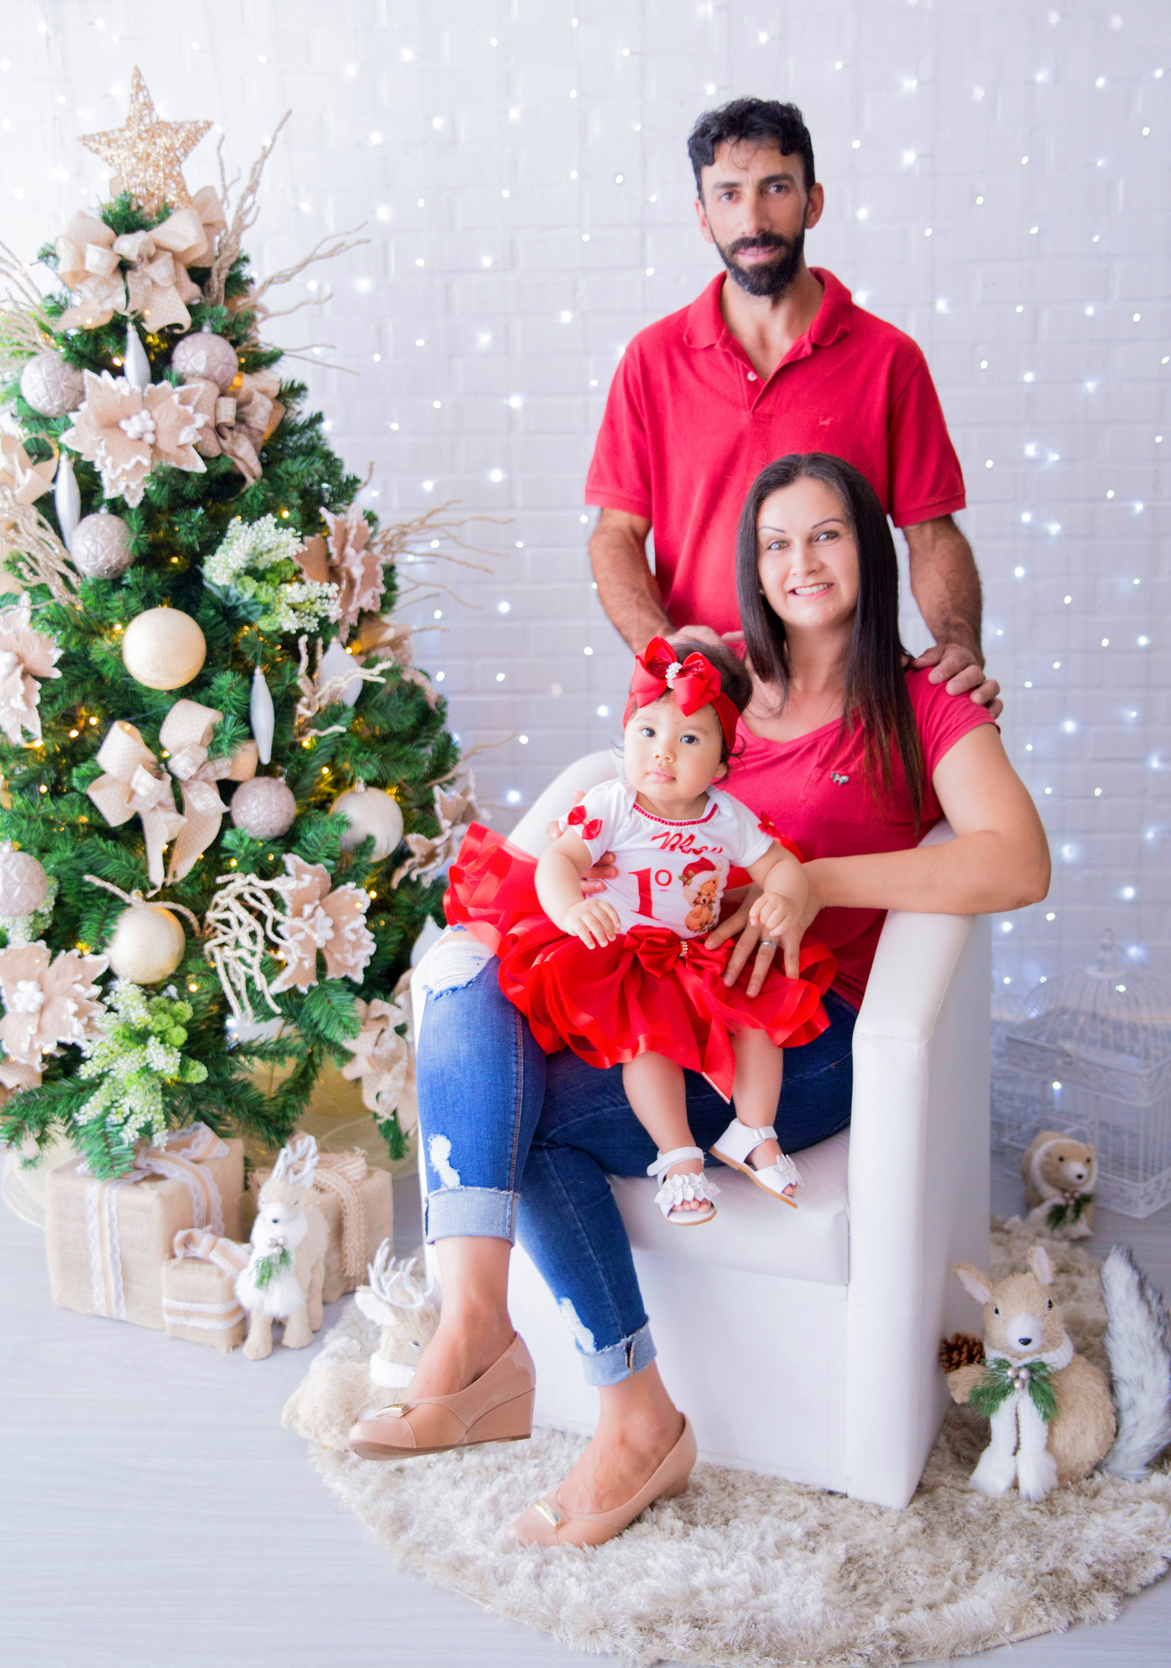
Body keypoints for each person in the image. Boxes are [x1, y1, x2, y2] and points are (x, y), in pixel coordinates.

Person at [353, 452, 1048, 1551]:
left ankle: (625, 1420)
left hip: (787, 1034)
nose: (800, 562)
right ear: (749, 565)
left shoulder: (924, 702)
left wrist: (817, 881)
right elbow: (633, 802)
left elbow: (1016, 862)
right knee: (463, 969)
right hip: (652, 996)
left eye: (826, 535)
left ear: (870, 547)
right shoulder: (715, 692)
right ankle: (480, 1332)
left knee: (531, 1127)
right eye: (775, 542)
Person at [585, 96, 1002, 715]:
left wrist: (959, 645)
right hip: (697, 703)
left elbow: (932, 535)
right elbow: (615, 535)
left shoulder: (889, 359)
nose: (752, 217)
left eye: (774, 187)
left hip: (850, 701)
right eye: (728, 194)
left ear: (813, 202)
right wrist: (662, 644)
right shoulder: (652, 360)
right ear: (702, 217)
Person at [442, 637, 836, 1225]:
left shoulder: (727, 817)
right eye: (646, 732)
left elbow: (780, 864)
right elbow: (559, 860)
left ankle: (753, 1132)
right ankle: (679, 1159)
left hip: (698, 953)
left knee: (761, 1019)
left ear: (724, 763)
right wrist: (571, 908)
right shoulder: (615, 804)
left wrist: (782, 896)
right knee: (650, 1045)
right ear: (624, 737)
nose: (663, 753)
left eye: (689, 739)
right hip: (628, 955)